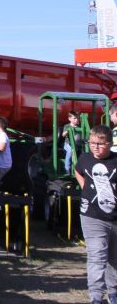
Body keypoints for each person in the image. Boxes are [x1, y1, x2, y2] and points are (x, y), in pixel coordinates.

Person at [75, 124, 117, 304]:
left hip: (115, 216)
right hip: (91, 216)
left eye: (100, 144)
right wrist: (86, 188)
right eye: (92, 143)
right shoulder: (85, 158)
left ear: (110, 144)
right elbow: (77, 170)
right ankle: (96, 297)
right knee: (97, 255)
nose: (95, 147)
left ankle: (113, 293)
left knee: (114, 258)